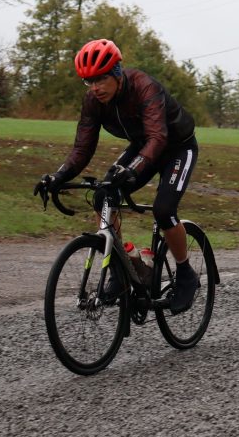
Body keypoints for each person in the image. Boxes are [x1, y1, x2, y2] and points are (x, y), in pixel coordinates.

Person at [33, 39, 200, 313]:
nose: (95, 87)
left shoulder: (144, 86)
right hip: (142, 146)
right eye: (89, 81)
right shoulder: (93, 101)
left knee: (164, 209)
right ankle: (124, 267)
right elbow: (83, 147)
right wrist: (59, 176)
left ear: (117, 73)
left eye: (100, 79)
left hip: (176, 147)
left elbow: (158, 137)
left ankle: (185, 274)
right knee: (103, 195)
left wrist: (132, 169)